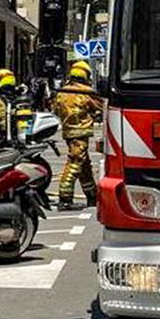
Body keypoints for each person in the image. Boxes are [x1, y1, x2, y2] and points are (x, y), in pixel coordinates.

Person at [51, 60, 104, 210]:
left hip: (68, 132)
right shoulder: (86, 92)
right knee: (74, 164)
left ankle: (92, 196)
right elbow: (101, 106)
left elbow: (55, 109)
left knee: (84, 166)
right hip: (81, 134)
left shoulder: (62, 92)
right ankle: (65, 197)